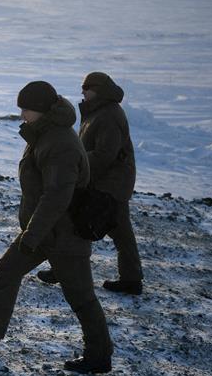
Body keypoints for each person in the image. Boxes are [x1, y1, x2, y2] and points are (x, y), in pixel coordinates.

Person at [0, 81, 114, 374]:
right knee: (8, 269)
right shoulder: (45, 135)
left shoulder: (60, 144)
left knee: (81, 297)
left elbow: (56, 197)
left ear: (41, 110)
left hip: (63, 235)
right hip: (45, 231)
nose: (22, 116)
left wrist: (31, 235)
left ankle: (100, 356)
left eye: (26, 110)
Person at [37, 72, 142, 294]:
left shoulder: (109, 115)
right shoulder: (98, 111)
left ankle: (129, 280)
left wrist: (78, 165)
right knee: (104, 229)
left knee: (82, 225)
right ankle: (129, 279)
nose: (82, 91)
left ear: (99, 90)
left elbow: (105, 154)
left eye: (87, 88)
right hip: (104, 182)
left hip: (109, 184)